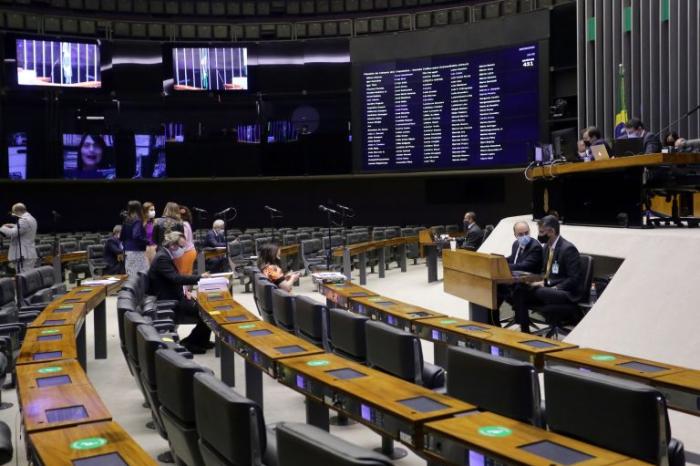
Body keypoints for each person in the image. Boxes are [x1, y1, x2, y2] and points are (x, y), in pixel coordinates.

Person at [513, 215, 583, 333]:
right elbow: (544, 272)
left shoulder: (568, 249)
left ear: (551, 231)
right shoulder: (546, 247)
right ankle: (525, 331)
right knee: (521, 288)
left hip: (566, 292)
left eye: (541, 232)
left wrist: (549, 284)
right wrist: (534, 280)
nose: (539, 235)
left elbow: (573, 279)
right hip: (548, 288)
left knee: (539, 290)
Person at [147, 231, 212, 354]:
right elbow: (175, 279)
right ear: (172, 245)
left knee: (206, 308)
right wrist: (200, 277)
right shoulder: (162, 258)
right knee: (207, 312)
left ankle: (202, 341)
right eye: (182, 246)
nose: (183, 250)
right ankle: (190, 343)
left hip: (173, 294)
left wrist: (185, 290)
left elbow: (172, 279)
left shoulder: (165, 255)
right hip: (169, 300)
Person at [493, 221, 543, 325]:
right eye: (520, 234)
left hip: (529, 282)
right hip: (515, 279)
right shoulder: (516, 244)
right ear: (515, 235)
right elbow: (512, 259)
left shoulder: (535, 247)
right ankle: (494, 322)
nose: (524, 236)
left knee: (518, 290)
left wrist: (504, 267)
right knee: (495, 286)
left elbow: (525, 265)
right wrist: (498, 262)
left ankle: (524, 328)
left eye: (526, 233)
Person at [0, 203, 38, 271]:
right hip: (28, 253)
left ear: (17, 211)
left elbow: (13, 233)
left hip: (23, 254)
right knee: (27, 276)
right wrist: (12, 225)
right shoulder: (31, 218)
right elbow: (24, 229)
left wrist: (2, 228)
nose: (13, 215)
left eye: (13, 212)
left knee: (23, 277)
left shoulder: (24, 220)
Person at [120, 200, 149, 277]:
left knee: (131, 275)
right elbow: (136, 236)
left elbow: (121, 236)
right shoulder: (137, 220)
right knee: (140, 275)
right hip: (137, 252)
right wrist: (148, 241)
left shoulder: (126, 220)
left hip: (127, 251)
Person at [174, 205, 197, 276]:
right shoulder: (186, 223)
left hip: (186, 252)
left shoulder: (183, 224)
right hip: (189, 251)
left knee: (183, 275)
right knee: (187, 275)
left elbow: (183, 240)